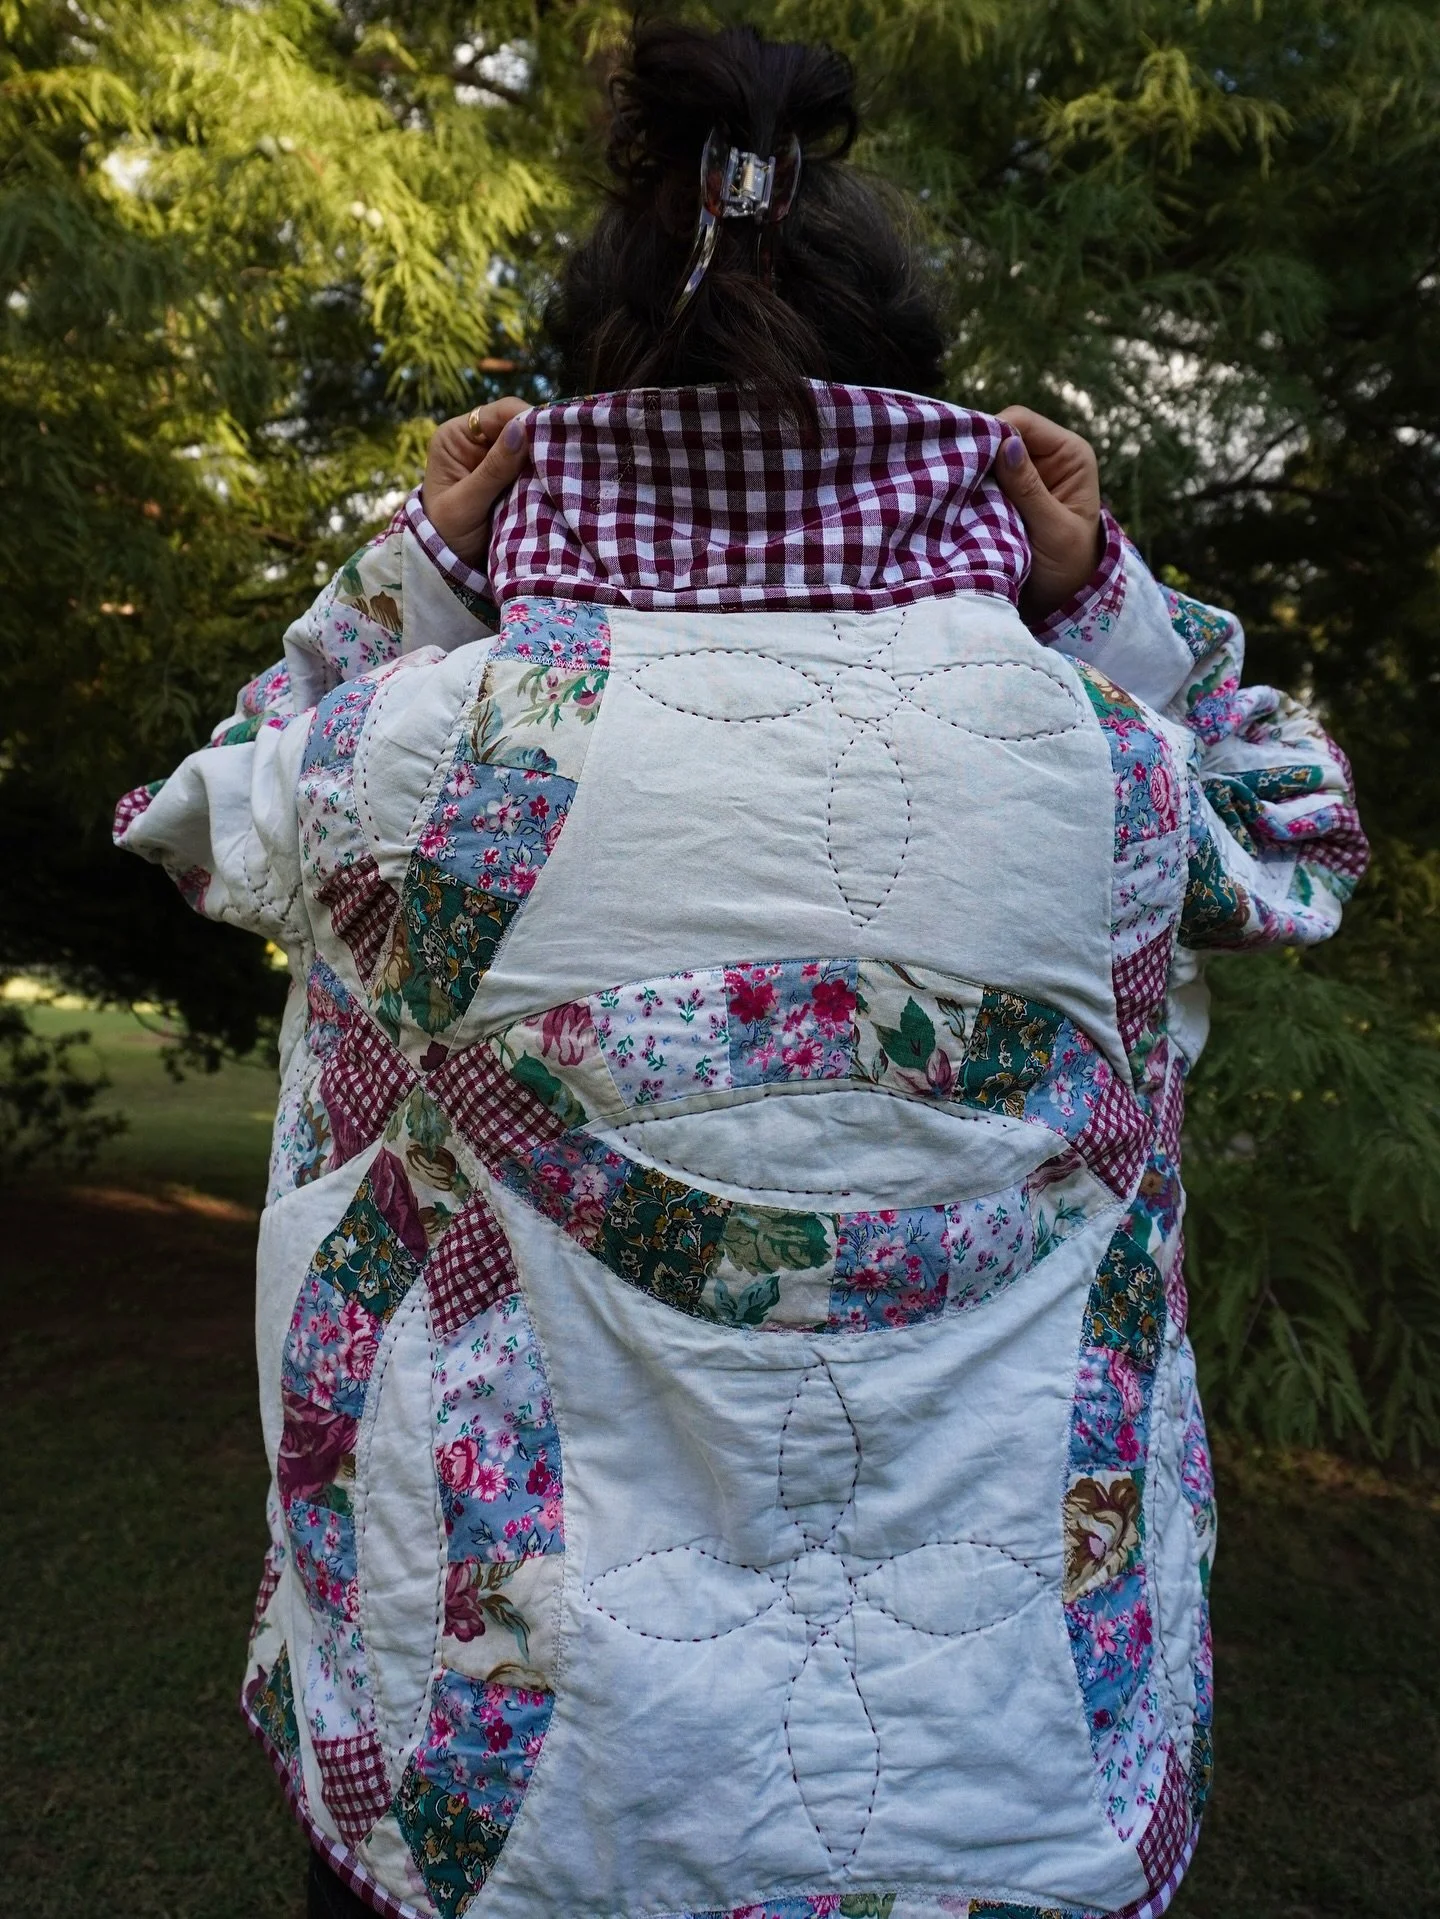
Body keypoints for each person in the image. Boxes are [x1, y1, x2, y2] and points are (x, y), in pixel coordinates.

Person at [115, 23, 1365, 1919]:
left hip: (519, 1798)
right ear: (919, 404)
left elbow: (206, 807)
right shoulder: (1098, 763)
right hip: (1010, 1783)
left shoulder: (437, 757)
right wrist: (1097, 585)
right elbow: (1298, 818)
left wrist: (420, 566)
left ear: (575, 399)